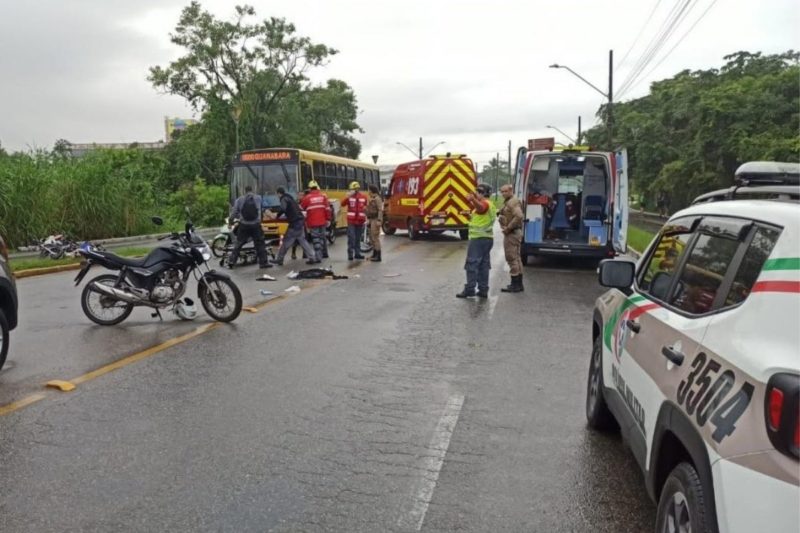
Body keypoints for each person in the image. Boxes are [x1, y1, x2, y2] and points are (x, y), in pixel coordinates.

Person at [457, 184, 496, 299]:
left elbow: (481, 208)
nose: (476, 194)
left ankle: (470, 289)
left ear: (482, 193)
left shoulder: (484, 203)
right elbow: (482, 215)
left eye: (477, 193)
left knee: (472, 264)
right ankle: (483, 289)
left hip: (478, 239)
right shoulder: (492, 205)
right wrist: (471, 217)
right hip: (487, 238)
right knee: (484, 265)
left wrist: (472, 199)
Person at [271, 187, 319, 266]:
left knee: (286, 241)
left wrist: (277, 215)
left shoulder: (283, 199)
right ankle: (312, 257)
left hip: (294, 224)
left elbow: (283, 209)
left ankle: (279, 259)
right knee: (303, 241)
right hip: (300, 221)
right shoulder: (290, 198)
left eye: (277, 194)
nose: (277, 196)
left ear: (279, 193)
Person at [227, 185, 270, 269]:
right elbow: (265, 207)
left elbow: (234, 212)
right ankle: (263, 263)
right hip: (256, 225)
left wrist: (230, 222)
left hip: (244, 225)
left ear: (244, 191)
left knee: (238, 243)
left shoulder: (239, 200)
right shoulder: (258, 198)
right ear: (252, 190)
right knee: (260, 243)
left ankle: (232, 261)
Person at [498, 184, 524, 293]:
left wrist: (508, 228)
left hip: (512, 233)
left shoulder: (512, 202)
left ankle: (515, 284)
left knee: (511, 258)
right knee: (516, 258)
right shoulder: (509, 201)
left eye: (505, 191)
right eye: (502, 192)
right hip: (513, 233)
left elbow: (519, 216)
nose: (503, 193)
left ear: (510, 190)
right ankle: (518, 284)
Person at [300, 181, 331, 261]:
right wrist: (328, 219)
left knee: (316, 239)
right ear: (317, 187)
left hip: (313, 222)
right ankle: (323, 254)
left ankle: (318, 257)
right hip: (323, 221)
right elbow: (327, 209)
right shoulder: (323, 197)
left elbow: (301, 208)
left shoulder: (307, 198)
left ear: (310, 188)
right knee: (322, 238)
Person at [341, 181, 367, 260]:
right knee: (351, 237)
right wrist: (348, 197)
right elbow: (342, 204)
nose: (352, 191)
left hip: (360, 221)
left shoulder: (363, 197)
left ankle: (357, 253)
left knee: (358, 238)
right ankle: (350, 254)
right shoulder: (349, 197)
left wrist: (366, 218)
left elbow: (366, 208)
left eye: (352, 189)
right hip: (351, 221)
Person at [366, 184, 383, 262]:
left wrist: (379, 220)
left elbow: (380, 210)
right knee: (371, 237)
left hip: (376, 219)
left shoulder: (377, 199)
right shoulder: (371, 199)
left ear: (371, 190)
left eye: (369, 190)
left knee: (375, 237)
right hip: (371, 219)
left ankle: (378, 256)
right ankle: (374, 253)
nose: (368, 191)